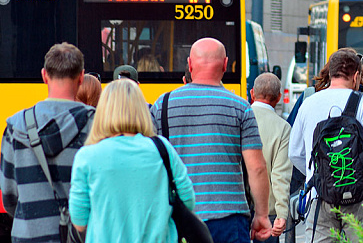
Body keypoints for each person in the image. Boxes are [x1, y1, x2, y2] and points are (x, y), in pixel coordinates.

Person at [150, 37, 272, 243]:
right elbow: (257, 168)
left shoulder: (163, 104)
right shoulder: (241, 107)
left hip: (179, 218)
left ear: (189, 65)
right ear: (225, 65)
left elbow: (152, 162)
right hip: (229, 218)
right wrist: (261, 215)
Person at [69, 80, 195, 242]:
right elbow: (188, 201)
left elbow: (79, 221)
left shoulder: (87, 156)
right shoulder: (162, 149)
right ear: (140, 110)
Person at [289, 49, 363, 243]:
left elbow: (294, 153)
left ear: (330, 73)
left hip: (320, 196)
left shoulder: (309, 103)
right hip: (361, 195)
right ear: (356, 75)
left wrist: (318, 173)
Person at [1, 43, 95, 243]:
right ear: (81, 77)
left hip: (28, 235)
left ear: (44, 76)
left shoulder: (15, 127)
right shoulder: (97, 125)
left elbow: (9, 195)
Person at [249, 74, 292, 243]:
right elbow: (280, 175)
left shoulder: (239, 119)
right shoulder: (283, 128)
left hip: (238, 206)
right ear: (279, 98)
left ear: (252, 93)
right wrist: (282, 213)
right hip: (268, 211)